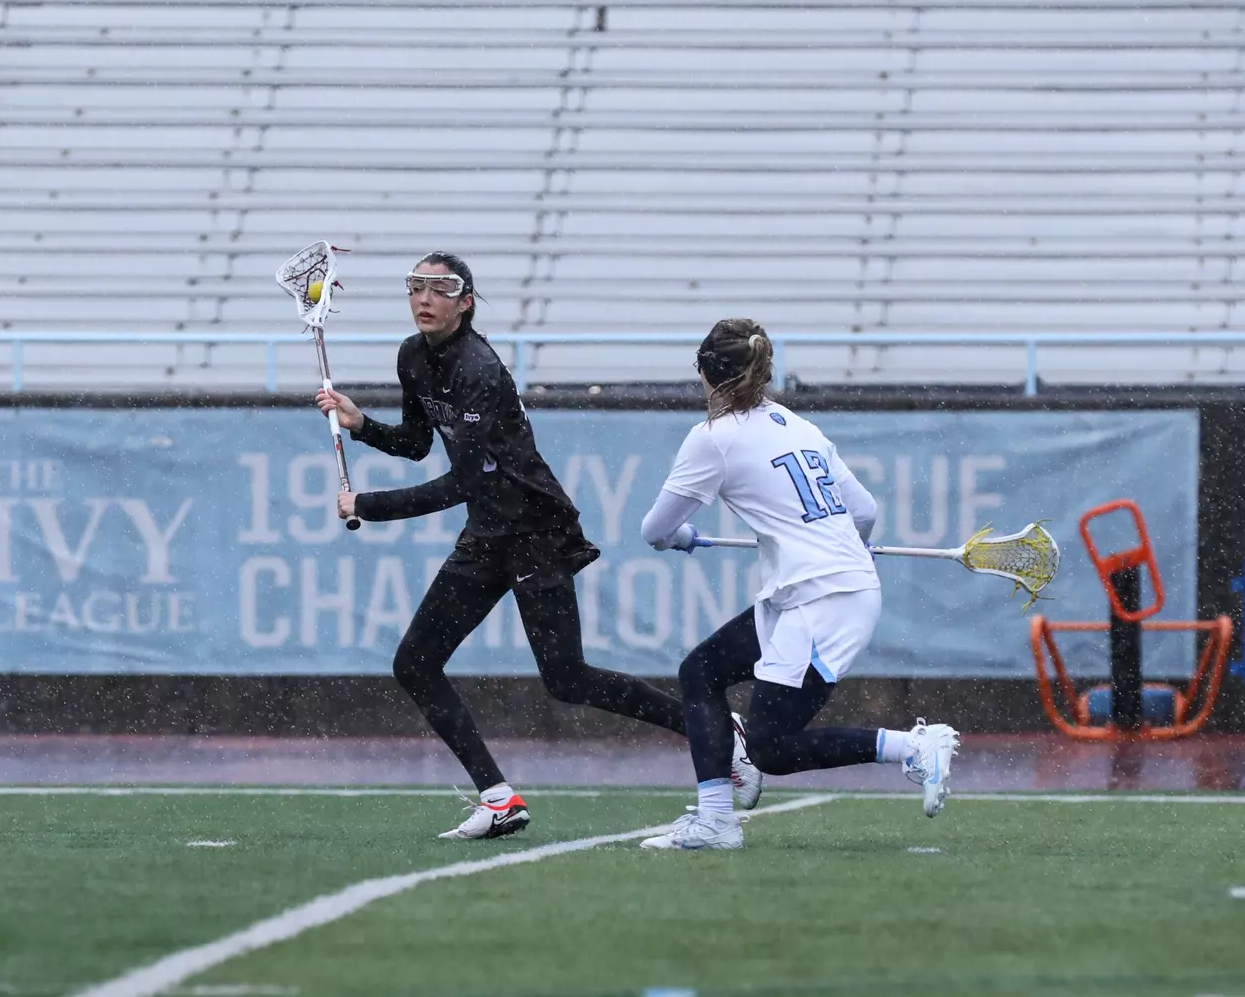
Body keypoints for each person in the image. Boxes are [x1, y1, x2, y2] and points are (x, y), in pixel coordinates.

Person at [318, 251, 691, 840]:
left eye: (440, 289)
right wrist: (361, 425)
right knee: (415, 663)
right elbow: (418, 444)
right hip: (489, 532)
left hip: (536, 530)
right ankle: (497, 798)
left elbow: (462, 481)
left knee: (567, 679)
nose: (424, 298)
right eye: (416, 287)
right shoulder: (413, 356)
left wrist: (370, 505)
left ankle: (714, 729)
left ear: (465, 303)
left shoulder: (479, 369)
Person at [637, 318, 960, 851]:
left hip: (822, 599)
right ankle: (717, 821)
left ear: (703, 371)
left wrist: (682, 537)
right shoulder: (798, 425)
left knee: (772, 750)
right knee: (702, 671)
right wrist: (847, 544)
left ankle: (913, 747)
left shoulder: (713, 439)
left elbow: (655, 529)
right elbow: (865, 511)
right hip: (812, 592)